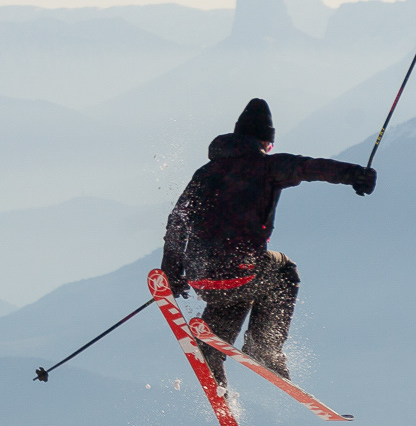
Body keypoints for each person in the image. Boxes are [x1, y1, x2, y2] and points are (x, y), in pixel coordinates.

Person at [161, 98, 376, 386]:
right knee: (283, 271)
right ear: (265, 142)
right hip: (241, 272)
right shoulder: (267, 166)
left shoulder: (205, 173)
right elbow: (310, 167)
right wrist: (355, 176)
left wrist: (171, 271)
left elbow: (178, 219)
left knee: (237, 293)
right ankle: (266, 346)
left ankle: (211, 362)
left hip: (203, 279)